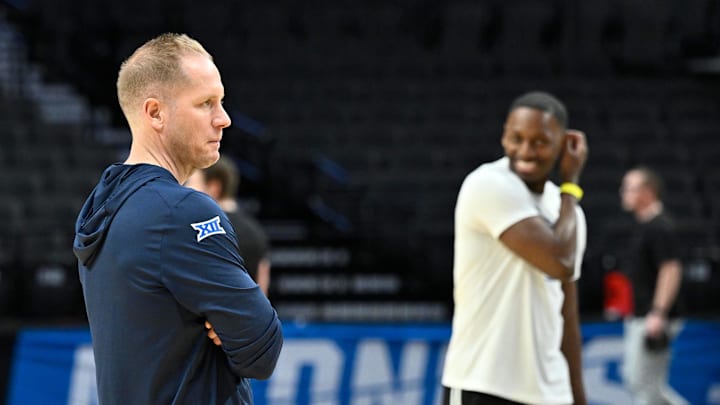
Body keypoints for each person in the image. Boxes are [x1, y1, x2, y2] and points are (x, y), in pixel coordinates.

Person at [72, 33, 283, 405]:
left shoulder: (106, 205)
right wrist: (228, 324)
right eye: (206, 103)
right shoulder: (181, 211)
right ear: (155, 112)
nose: (224, 119)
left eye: (221, 101)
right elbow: (262, 348)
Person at [442, 91, 588, 405]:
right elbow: (559, 261)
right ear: (503, 136)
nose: (525, 150)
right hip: (483, 384)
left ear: (563, 144)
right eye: (515, 137)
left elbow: (567, 311)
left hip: (551, 392)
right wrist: (571, 186)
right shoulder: (488, 184)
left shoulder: (568, 214)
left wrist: (578, 396)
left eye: (539, 141)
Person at [619, 167, 688, 405]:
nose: (623, 193)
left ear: (647, 193)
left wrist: (658, 312)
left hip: (653, 316)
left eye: (629, 188)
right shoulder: (646, 226)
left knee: (644, 386)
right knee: (642, 383)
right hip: (642, 314)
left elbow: (671, 269)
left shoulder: (660, 227)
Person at [186, 156, 271, 295]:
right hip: (250, 314)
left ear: (214, 188)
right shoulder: (256, 231)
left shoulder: (202, 230)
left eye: (192, 183)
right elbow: (263, 287)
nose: (186, 190)